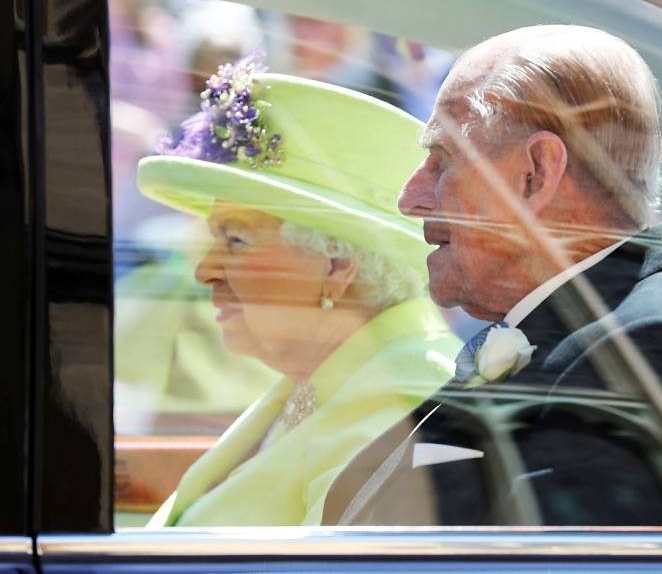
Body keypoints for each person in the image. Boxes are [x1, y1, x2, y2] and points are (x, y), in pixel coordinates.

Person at [321, 25, 662, 526]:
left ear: (536, 174)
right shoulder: (589, 317)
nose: (410, 198)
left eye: (443, 160)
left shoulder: (647, 351)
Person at [134, 55, 460, 526]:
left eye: (236, 240)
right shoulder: (321, 378)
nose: (205, 270)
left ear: (337, 265)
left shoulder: (402, 401)